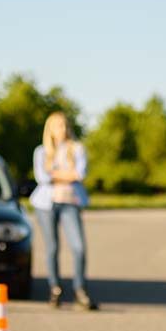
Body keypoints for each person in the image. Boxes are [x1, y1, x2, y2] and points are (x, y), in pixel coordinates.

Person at [31, 111, 97, 310]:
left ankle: (80, 290)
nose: (63, 129)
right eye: (58, 125)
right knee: (52, 248)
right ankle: (55, 288)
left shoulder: (77, 149)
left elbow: (80, 174)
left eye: (65, 125)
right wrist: (67, 174)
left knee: (78, 247)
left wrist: (55, 174)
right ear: (50, 129)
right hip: (46, 204)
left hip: (71, 202)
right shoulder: (41, 151)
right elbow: (42, 178)